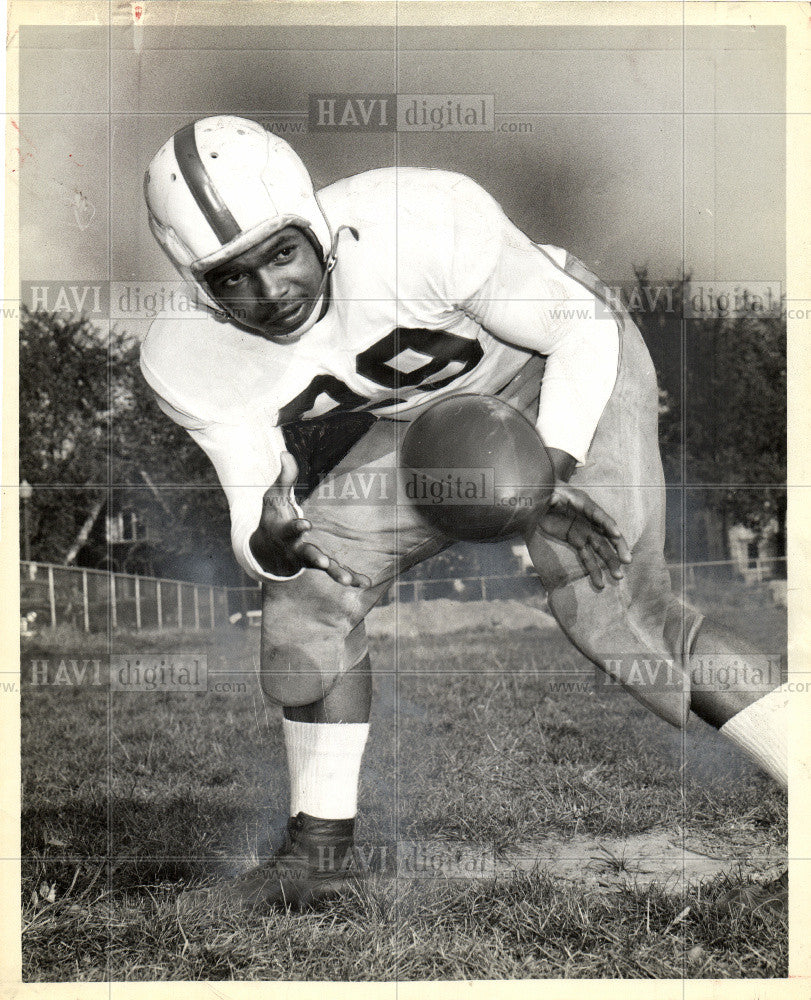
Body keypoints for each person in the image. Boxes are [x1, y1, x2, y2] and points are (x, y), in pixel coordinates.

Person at [141, 115, 787, 911]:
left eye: (281, 254)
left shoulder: (420, 220)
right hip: (426, 425)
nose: (271, 293)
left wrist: (549, 469)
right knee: (308, 597)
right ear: (198, 287)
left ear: (318, 227)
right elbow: (254, 507)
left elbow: (574, 334)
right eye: (232, 278)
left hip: (558, 364)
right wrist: (274, 541)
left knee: (616, 610)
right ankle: (318, 860)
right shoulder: (187, 357)